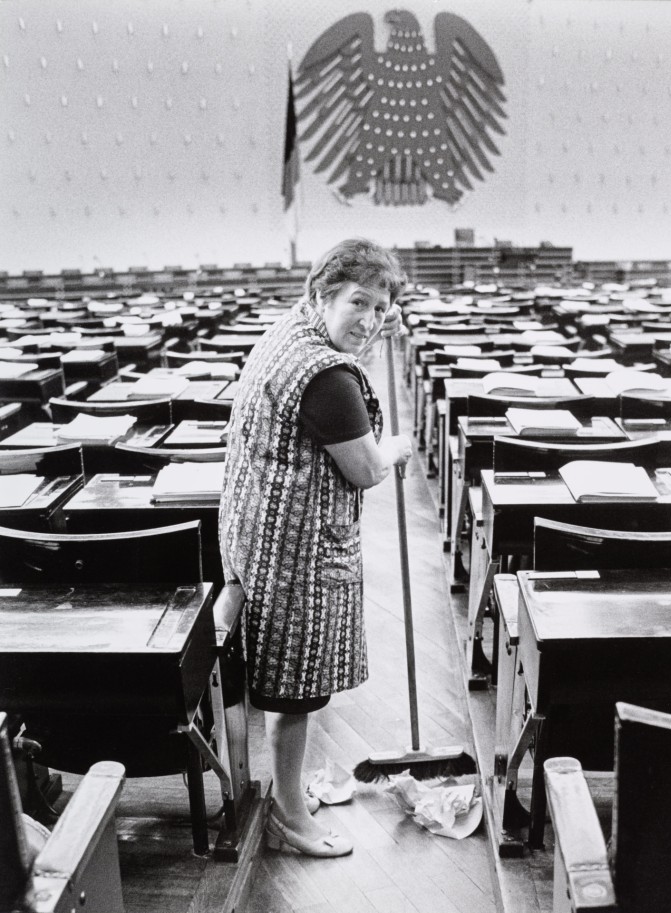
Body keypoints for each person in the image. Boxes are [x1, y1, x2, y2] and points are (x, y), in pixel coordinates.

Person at [219, 238, 413, 858]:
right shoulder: (326, 377)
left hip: (255, 534)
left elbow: (350, 331)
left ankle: (287, 791)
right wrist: (400, 446)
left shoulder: (291, 332)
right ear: (323, 294)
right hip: (293, 551)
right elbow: (365, 469)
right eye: (359, 301)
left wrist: (366, 324)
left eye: (382, 307)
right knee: (294, 690)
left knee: (281, 680)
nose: (371, 318)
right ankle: (288, 813)